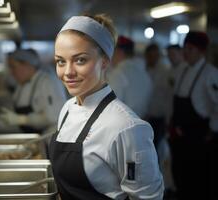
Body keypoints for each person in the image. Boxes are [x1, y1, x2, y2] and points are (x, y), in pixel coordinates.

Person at [49, 14, 164, 200]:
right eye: (61, 61)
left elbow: (148, 197)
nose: (68, 72)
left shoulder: (126, 127)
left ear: (104, 61)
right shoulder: (67, 109)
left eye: (80, 60)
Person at [169, 31, 218, 200]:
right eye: (185, 48)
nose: (185, 53)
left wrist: (212, 131)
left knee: (197, 182)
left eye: (190, 49)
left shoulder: (210, 74)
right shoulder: (182, 70)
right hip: (179, 138)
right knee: (180, 176)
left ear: (201, 51)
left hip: (198, 138)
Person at [0, 48, 67, 134]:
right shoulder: (22, 84)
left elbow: (52, 116)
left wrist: (21, 119)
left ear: (27, 65)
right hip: (32, 135)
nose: (11, 72)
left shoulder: (47, 82)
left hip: (49, 138)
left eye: (13, 67)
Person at [107, 35, 152, 119]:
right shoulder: (145, 74)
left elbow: (110, 108)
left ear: (119, 52)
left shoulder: (118, 74)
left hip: (123, 126)